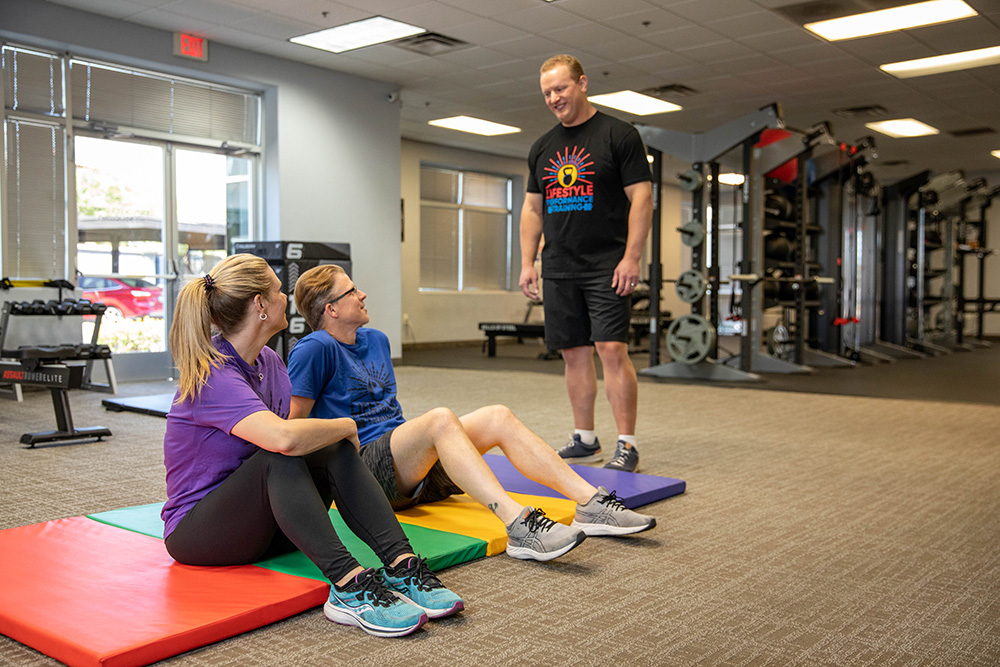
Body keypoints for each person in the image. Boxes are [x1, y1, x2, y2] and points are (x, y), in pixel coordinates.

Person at [160, 254, 463, 639]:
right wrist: (345, 425)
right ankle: (349, 585)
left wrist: (336, 436)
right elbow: (283, 438)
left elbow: (299, 436)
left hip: (263, 525)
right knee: (283, 451)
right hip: (200, 535)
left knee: (327, 447)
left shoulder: (269, 361)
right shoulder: (214, 374)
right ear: (260, 305)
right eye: (278, 288)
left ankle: (404, 566)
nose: (286, 296)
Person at [285, 264, 655, 564]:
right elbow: (294, 426)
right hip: (367, 475)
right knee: (440, 418)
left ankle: (591, 504)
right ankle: (518, 524)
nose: (362, 294)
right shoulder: (314, 349)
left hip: (412, 472)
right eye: (351, 291)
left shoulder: (377, 339)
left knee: (497, 415)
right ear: (330, 309)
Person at [519, 54, 654, 473]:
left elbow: (642, 198)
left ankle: (627, 444)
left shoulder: (619, 134)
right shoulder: (542, 147)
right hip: (559, 265)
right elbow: (531, 208)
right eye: (547, 93)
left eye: (560, 88)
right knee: (573, 354)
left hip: (608, 264)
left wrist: (632, 256)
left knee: (611, 348)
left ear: (582, 83)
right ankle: (585, 439)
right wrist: (527, 262)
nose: (554, 98)